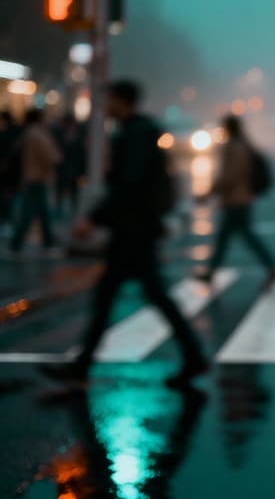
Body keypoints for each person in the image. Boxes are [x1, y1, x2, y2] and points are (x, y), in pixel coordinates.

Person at [40, 80, 209, 388]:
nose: (106, 106)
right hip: (135, 230)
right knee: (132, 297)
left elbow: (128, 186)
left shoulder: (135, 134)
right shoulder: (139, 131)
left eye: (110, 100)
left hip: (133, 231)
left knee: (125, 298)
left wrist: (93, 218)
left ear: (123, 101)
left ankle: (82, 367)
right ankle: (192, 357)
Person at [196, 114, 275, 287]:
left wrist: (209, 192)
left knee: (236, 237)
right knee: (232, 237)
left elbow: (229, 176)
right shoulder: (244, 144)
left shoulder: (232, 147)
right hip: (242, 198)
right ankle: (271, 267)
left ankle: (272, 267)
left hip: (236, 200)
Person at [9, 107, 62, 254]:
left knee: (40, 211)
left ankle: (46, 241)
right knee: (30, 212)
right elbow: (50, 155)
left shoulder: (29, 132)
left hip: (33, 177)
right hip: (36, 177)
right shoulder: (37, 134)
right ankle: (18, 243)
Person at [53, 112, 87, 218]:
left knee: (73, 192)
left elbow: (81, 154)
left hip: (73, 169)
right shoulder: (59, 134)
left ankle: (72, 212)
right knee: (60, 190)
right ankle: (60, 211)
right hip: (63, 168)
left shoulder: (78, 135)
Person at [0, 109, 20, 234]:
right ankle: (7, 221)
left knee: (6, 198)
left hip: (7, 173)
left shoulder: (6, 135)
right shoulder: (15, 133)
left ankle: (6, 221)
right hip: (11, 173)